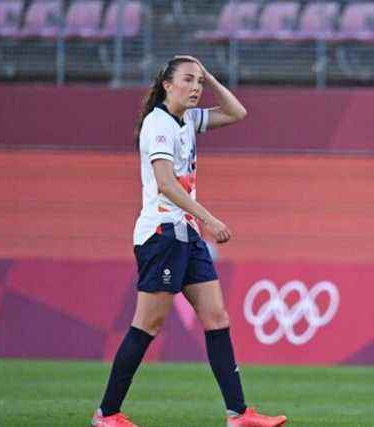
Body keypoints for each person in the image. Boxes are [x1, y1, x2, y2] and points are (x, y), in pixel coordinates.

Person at [91, 56, 287, 427]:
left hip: (187, 235)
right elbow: (165, 184)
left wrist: (209, 76)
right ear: (167, 84)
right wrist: (210, 220)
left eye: (199, 81)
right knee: (146, 325)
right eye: (188, 80)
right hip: (163, 234)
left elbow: (237, 112)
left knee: (217, 318)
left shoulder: (188, 120)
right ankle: (107, 413)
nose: (196, 87)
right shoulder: (159, 125)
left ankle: (238, 413)